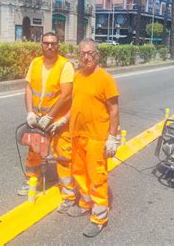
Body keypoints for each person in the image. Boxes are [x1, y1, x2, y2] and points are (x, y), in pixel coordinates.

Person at [66, 38, 120, 238]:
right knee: (79, 171)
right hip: (77, 134)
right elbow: (75, 103)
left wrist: (112, 137)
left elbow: (114, 109)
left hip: (97, 136)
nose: (86, 57)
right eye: (82, 53)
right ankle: (85, 203)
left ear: (97, 55)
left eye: (90, 53)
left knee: (97, 176)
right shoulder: (77, 76)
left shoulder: (105, 79)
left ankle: (99, 217)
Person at [19, 32, 76, 213]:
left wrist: (51, 117)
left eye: (53, 43)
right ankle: (31, 182)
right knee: (35, 150)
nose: (49, 47)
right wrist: (30, 112)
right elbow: (28, 88)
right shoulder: (35, 63)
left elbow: (66, 94)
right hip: (37, 117)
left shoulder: (64, 65)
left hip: (57, 120)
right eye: (46, 43)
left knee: (62, 154)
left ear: (58, 45)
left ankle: (68, 195)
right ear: (41, 45)